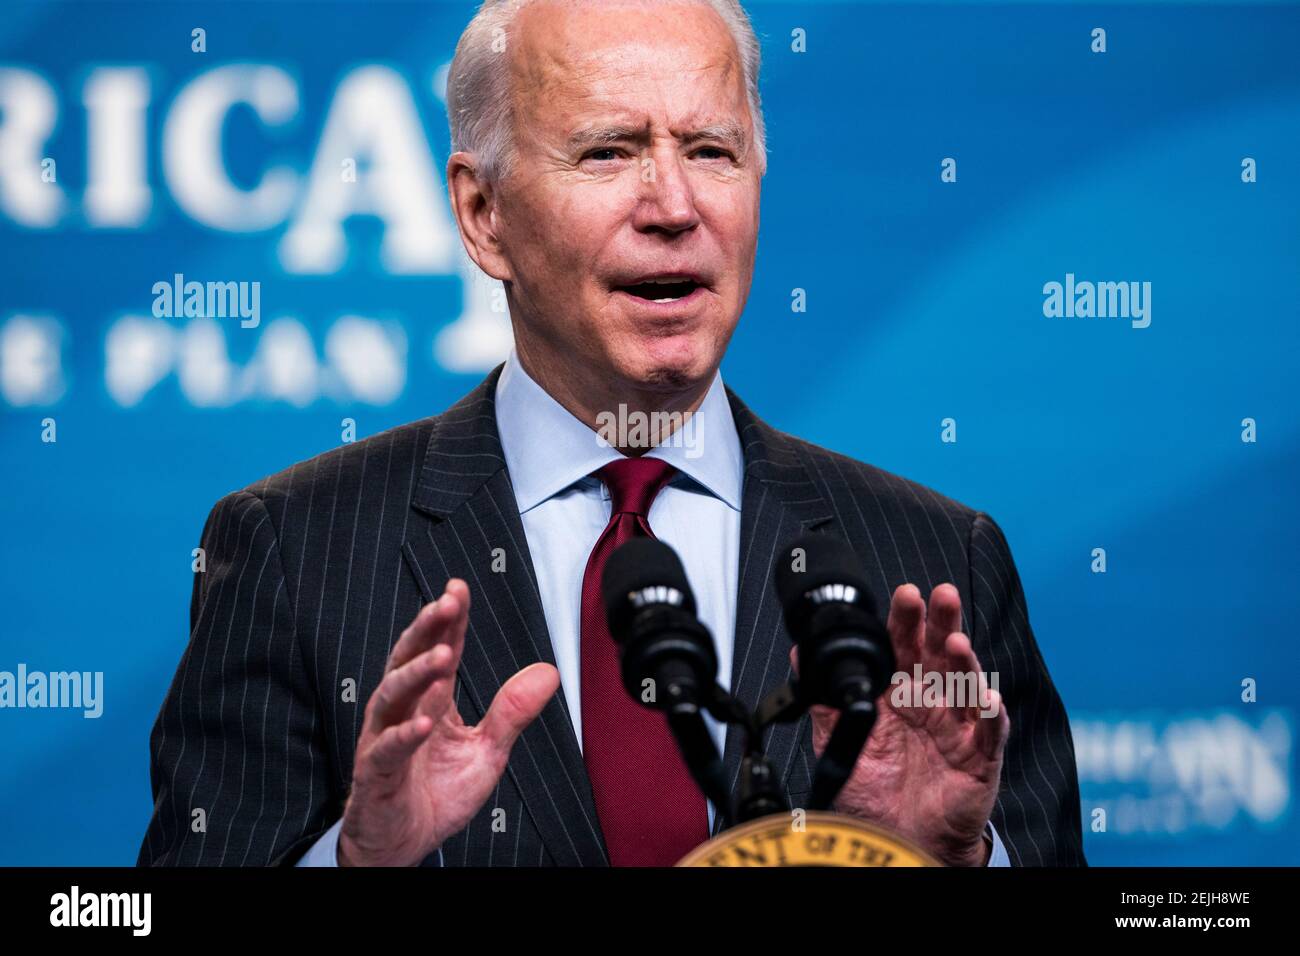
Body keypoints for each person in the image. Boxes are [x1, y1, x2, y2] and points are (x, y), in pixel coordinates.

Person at [138, 0, 1085, 868]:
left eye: (712, 151)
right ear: (483, 213)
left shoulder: (933, 563)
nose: (674, 207)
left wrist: (951, 860)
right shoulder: (297, 551)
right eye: (607, 152)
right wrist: (357, 863)